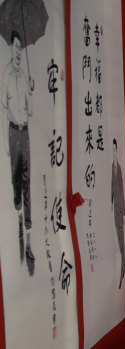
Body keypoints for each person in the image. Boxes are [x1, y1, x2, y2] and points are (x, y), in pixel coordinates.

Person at [2, 30, 35, 276]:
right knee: (15, 177)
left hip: (25, 131)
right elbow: (4, 108)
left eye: (19, 50)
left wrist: (31, 91)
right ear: (10, 49)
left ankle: (28, 223)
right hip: (13, 132)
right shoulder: (5, 75)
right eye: (14, 48)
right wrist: (5, 141)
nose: (17, 53)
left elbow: (30, 110)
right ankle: (16, 209)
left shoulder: (24, 76)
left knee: (27, 178)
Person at [111, 139, 125, 289]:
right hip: (114, 209)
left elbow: (121, 190)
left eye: (116, 150)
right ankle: (122, 266)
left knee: (121, 239)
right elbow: (111, 189)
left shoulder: (119, 167)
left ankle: (123, 266)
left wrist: (124, 212)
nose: (115, 153)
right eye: (113, 150)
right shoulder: (112, 167)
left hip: (120, 209)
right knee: (117, 236)